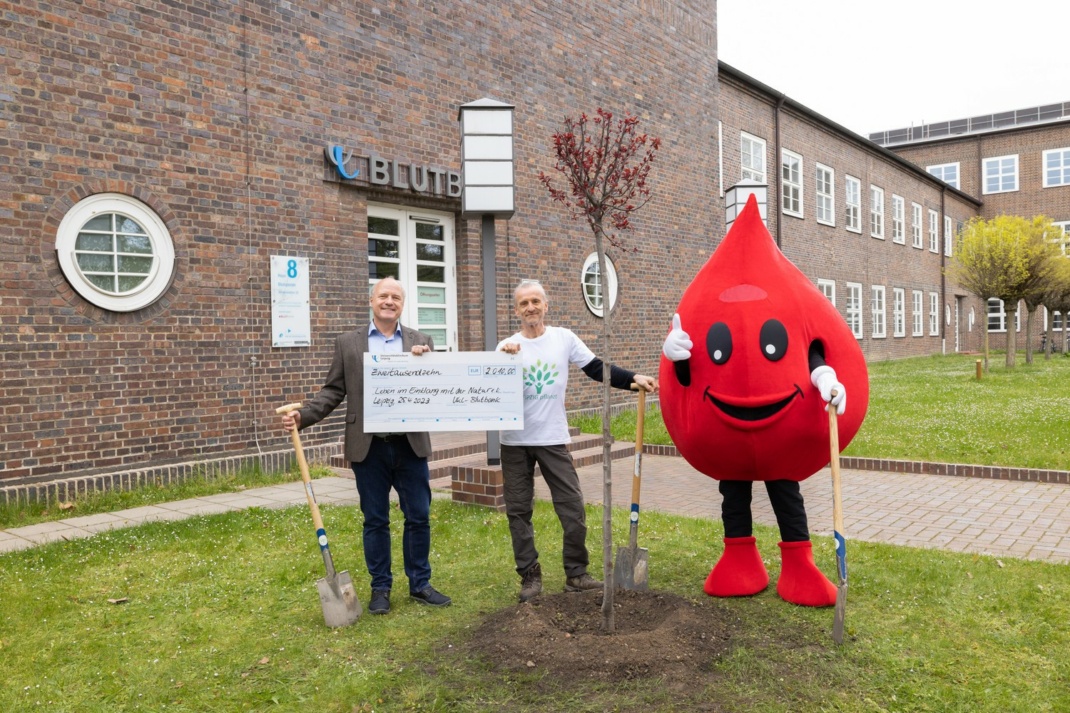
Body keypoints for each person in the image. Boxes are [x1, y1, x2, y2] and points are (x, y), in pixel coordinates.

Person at [280, 276, 451, 615]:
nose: (390, 301)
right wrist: (305, 416)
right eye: (383, 295)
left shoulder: (421, 340)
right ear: (372, 300)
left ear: (403, 304)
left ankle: (420, 584)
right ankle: (381, 589)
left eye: (396, 297)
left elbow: (437, 386)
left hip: (410, 444)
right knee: (375, 520)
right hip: (368, 447)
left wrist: (427, 363)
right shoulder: (348, 343)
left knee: (418, 516)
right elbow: (333, 390)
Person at [496, 279, 658, 603]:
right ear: (516, 310)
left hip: (552, 437)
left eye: (535, 301)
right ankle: (529, 575)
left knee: (572, 508)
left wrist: (632, 380)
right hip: (513, 441)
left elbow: (596, 368)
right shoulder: (507, 346)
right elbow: (488, 387)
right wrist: (504, 360)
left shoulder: (563, 339)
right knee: (518, 510)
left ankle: (576, 573)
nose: (530, 307)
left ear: (546, 305)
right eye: (524, 303)